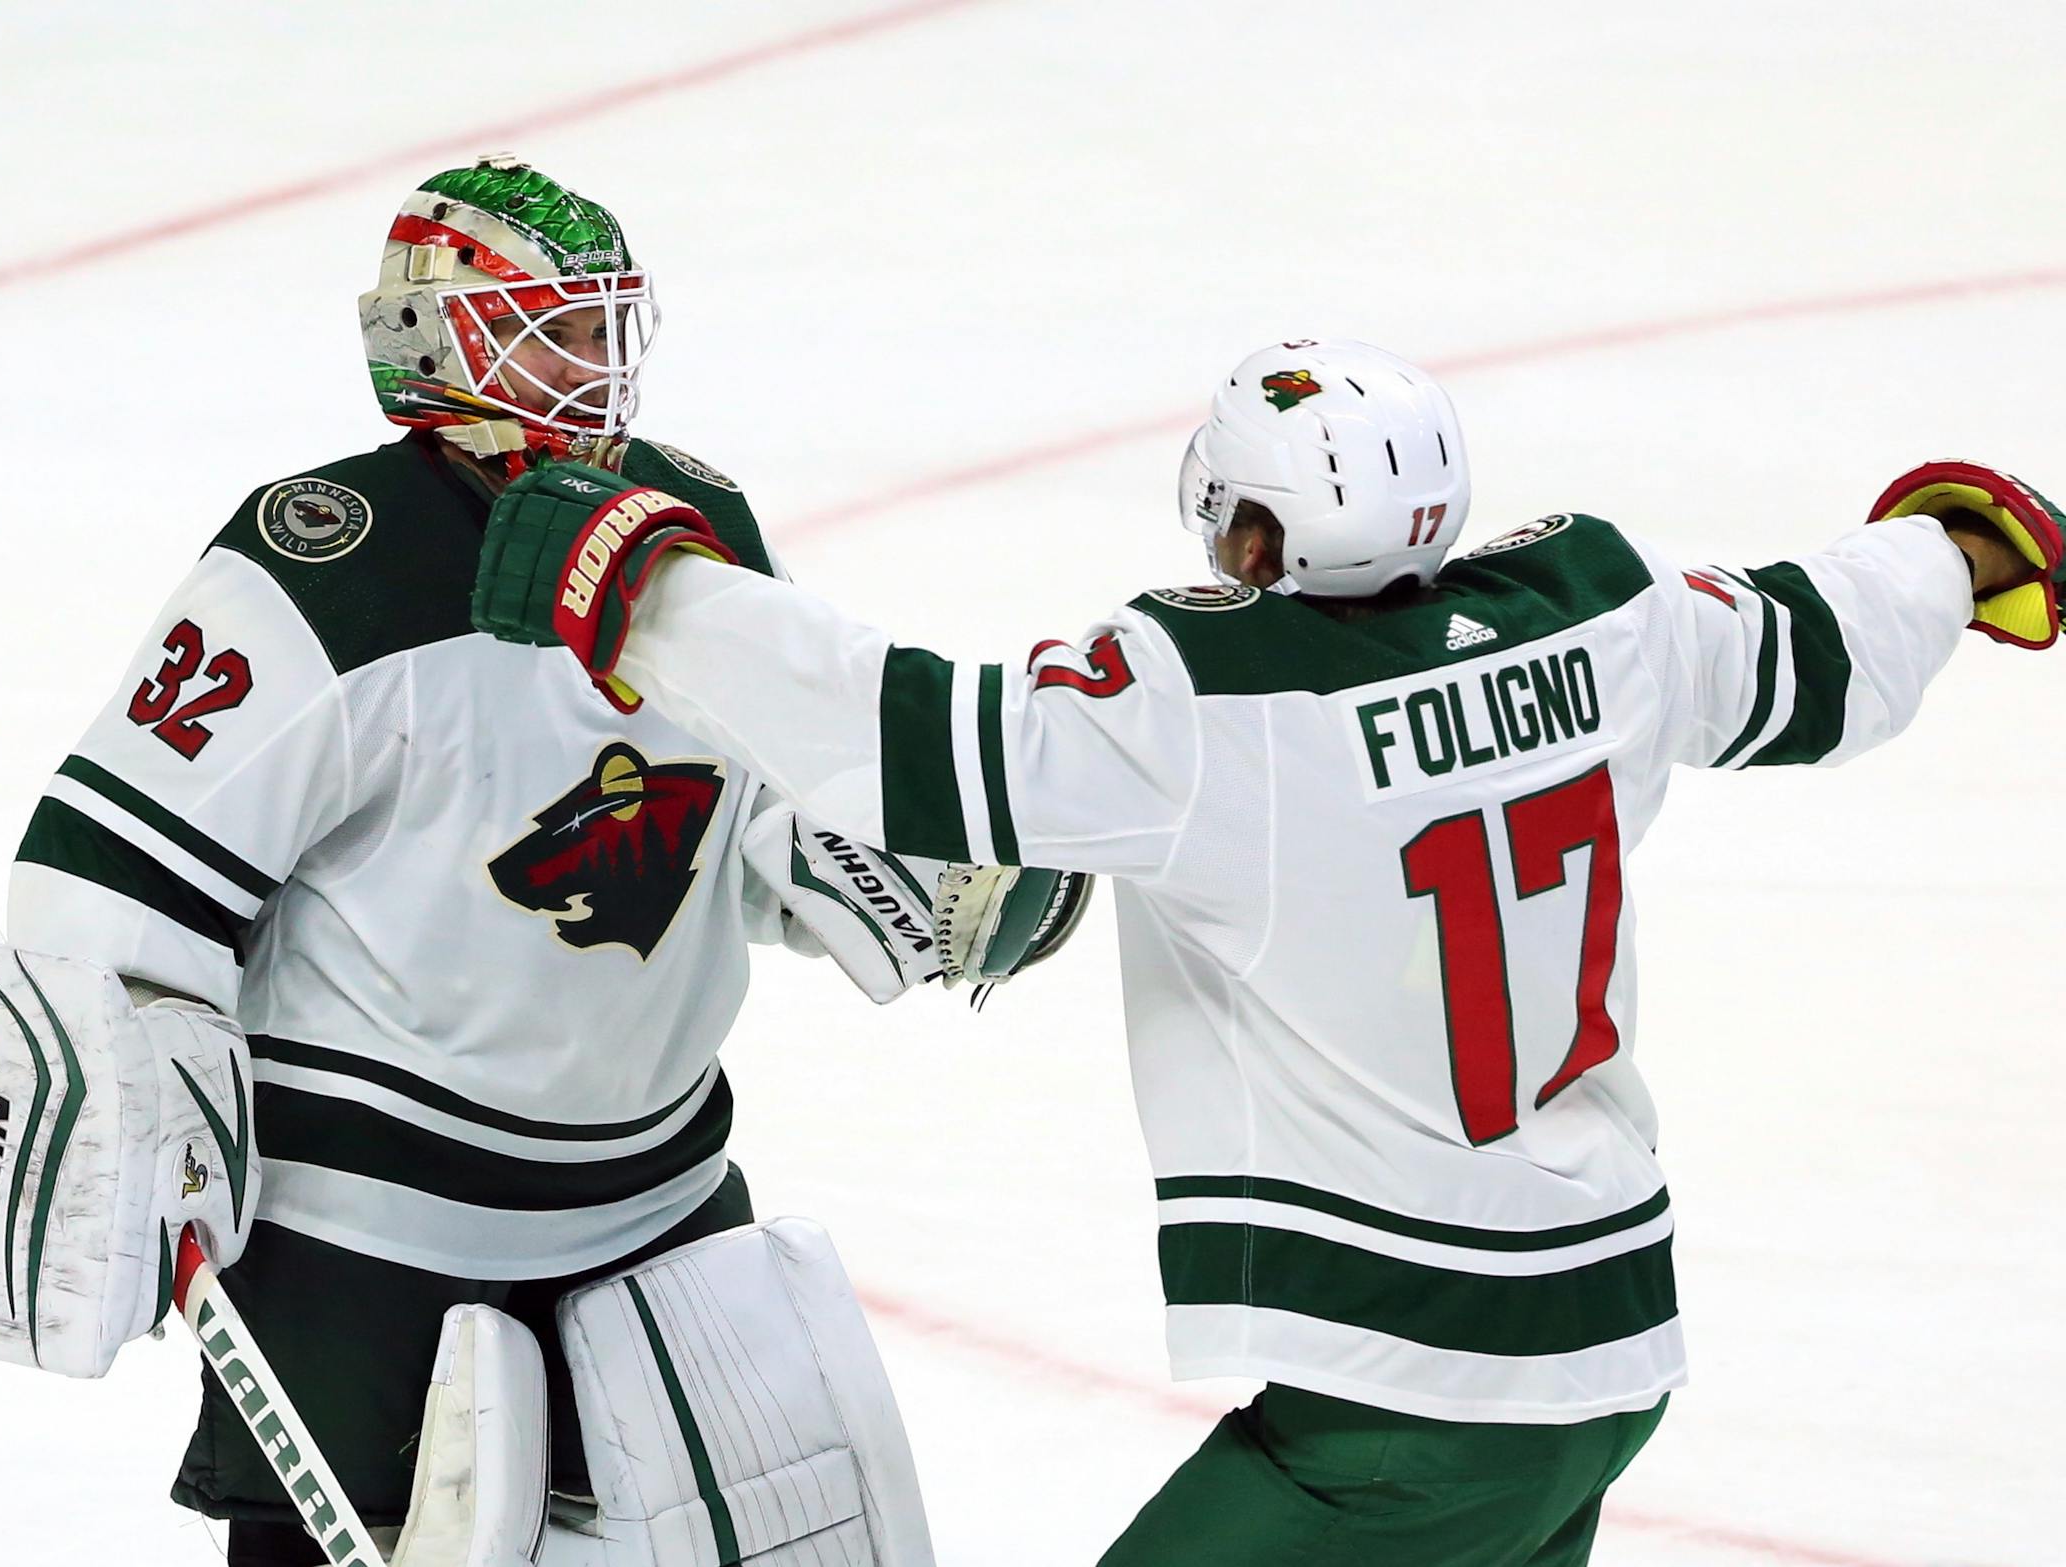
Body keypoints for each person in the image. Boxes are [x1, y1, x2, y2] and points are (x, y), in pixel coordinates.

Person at [468, 336, 2063, 1565]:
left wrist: (645, 590)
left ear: (1251, 530)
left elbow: (916, 744)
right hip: (1605, 1351)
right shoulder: (1599, 622)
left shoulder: (1212, 715)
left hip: (1419, 1391)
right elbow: (1819, 636)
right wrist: (1957, 551)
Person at [0, 155, 1079, 1566]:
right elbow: (108, 877)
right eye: (557, 329)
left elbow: (745, 787)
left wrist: (886, 852)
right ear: (437, 349)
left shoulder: (690, 520)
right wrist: (142, 1110)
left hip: (658, 1197)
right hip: (371, 1231)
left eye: (610, 328)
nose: (598, 368)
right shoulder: (321, 569)